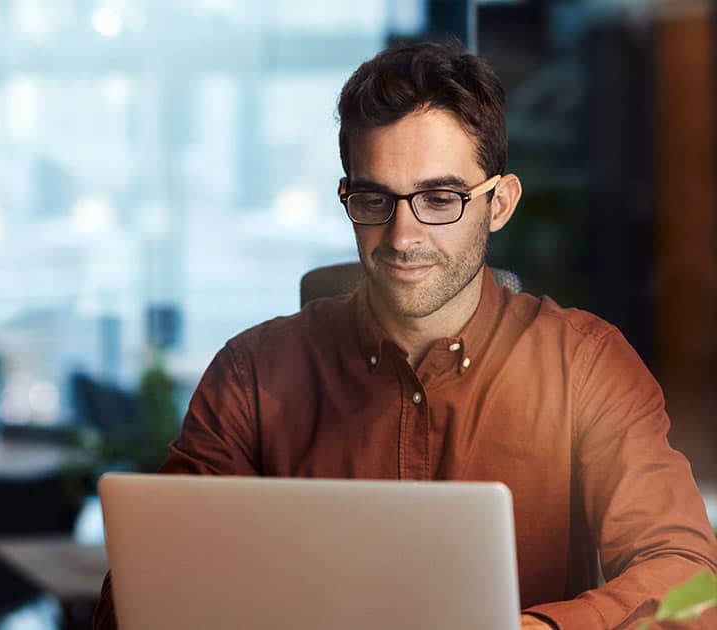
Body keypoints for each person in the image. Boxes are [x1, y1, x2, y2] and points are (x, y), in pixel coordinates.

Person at [92, 41, 717, 630]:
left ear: (498, 204)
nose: (402, 236)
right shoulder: (253, 377)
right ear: (347, 197)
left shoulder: (584, 366)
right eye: (373, 199)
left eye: (440, 197)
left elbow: (692, 581)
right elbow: (145, 590)